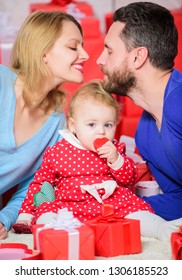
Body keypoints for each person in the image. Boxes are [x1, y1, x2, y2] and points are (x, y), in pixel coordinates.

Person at [15, 80, 182, 240]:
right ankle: (71, 238)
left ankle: (162, 230)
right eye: (92, 125)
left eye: (108, 125)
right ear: (73, 126)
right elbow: (40, 184)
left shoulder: (115, 148)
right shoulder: (58, 152)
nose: (101, 132)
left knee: (139, 212)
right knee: (46, 215)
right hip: (71, 206)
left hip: (110, 204)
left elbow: (129, 178)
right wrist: (26, 214)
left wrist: (116, 159)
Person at [0, 10, 89, 239]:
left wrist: (5, 218)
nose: (85, 55)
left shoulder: (56, 122)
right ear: (43, 52)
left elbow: (34, 186)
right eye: (73, 47)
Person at [96, 2, 182, 222]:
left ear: (137, 57)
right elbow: (177, 200)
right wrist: (106, 207)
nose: (100, 60)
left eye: (109, 51)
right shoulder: (144, 133)